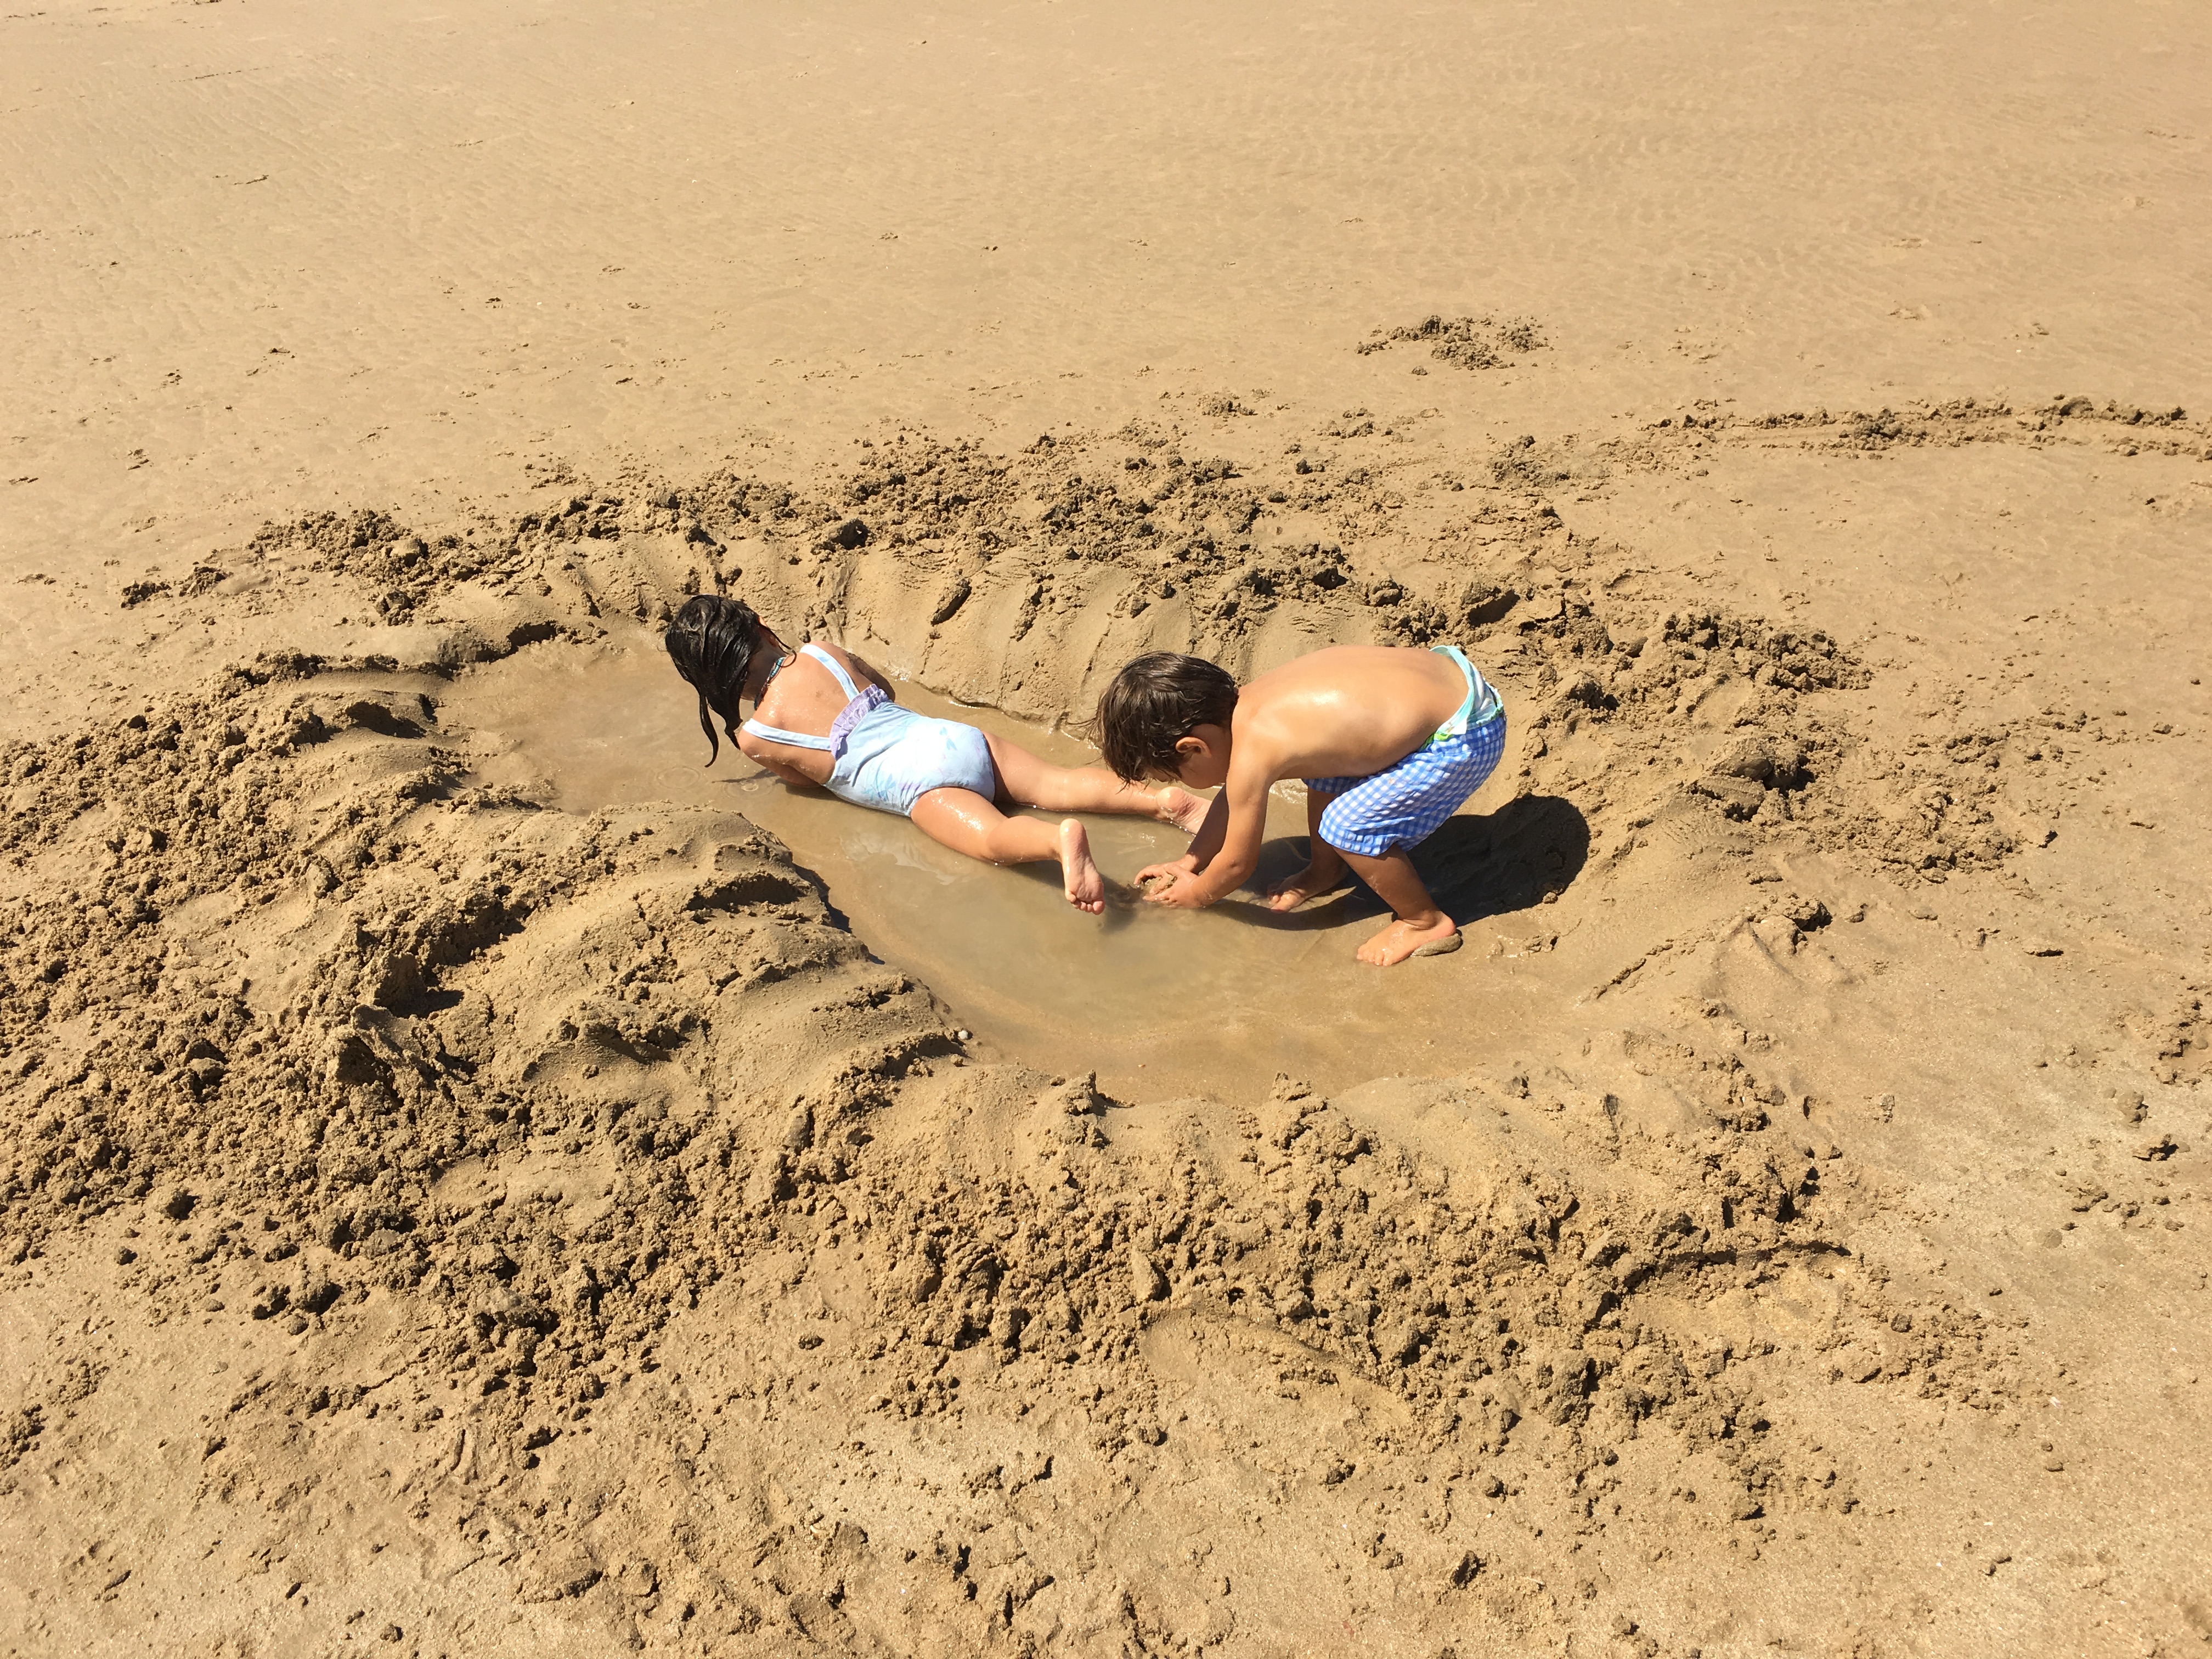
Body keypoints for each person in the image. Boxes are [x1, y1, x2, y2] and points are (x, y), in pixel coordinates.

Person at [663, 595, 1208, 913]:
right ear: (761, 627)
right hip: (949, 738)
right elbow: (885, 689)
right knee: (1056, 783)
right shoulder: (821, 652)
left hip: (921, 788)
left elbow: (807, 781)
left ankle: (1057, 843)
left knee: (993, 839)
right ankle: (1165, 801)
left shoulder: (756, 736)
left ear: (713, 684)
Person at [1092, 643, 1507, 964]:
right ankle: (1325, 870)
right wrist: (1189, 862)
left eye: (1173, 776)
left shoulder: (1255, 752)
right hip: (1452, 679)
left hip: (1464, 735)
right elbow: (1232, 802)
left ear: (1194, 748)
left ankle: (1424, 921)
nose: (1180, 784)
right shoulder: (1246, 708)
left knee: (1347, 826)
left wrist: (1196, 894)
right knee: (1323, 768)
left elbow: (1237, 865)